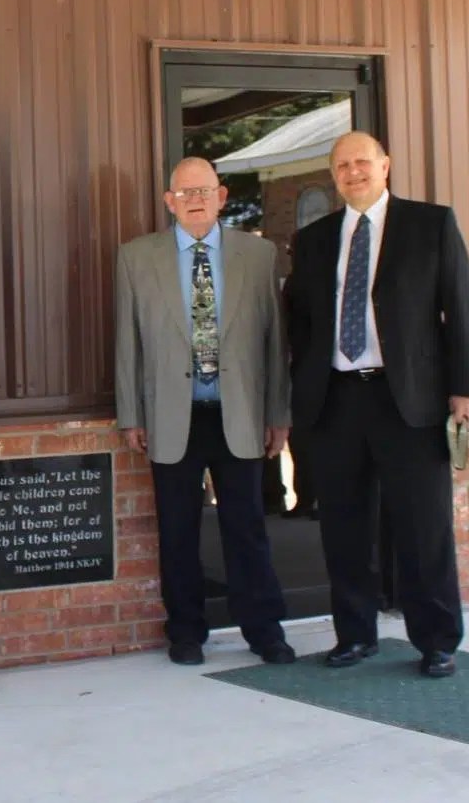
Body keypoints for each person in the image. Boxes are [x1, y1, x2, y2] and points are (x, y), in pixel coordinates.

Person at [285, 131, 469, 678]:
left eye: (362, 162)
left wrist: (464, 388)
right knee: (343, 527)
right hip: (336, 399)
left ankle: (437, 640)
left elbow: (459, 308)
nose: (353, 172)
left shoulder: (430, 224)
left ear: (385, 165)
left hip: (410, 400)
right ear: (333, 175)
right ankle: (355, 635)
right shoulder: (313, 239)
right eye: (342, 165)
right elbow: (300, 321)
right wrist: (302, 387)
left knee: (424, 525)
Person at [115, 157, 294, 667]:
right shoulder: (136, 257)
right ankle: (186, 632)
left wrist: (278, 413)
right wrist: (131, 414)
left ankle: (264, 630)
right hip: (172, 415)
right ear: (169, 201)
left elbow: (275, 343)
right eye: (184, 192)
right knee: (177, 531)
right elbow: (127, 341)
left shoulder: (258, 255)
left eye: (204, 190)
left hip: (240, 413)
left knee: (247, 528)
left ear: (221, 196)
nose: (194, 200)